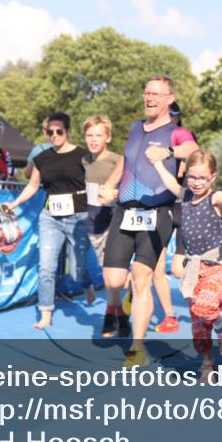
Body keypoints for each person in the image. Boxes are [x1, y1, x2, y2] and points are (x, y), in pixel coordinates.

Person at [99, 76, 198, 367]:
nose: (150, 98)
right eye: (146, 93)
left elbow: (192, 151)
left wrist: (168, 152)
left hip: (157, 212)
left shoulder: (177, 132)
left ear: (170, 98)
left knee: (143, 278)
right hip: (124, 212)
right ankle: (126, 303)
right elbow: (125, 161)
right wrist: (109, 185)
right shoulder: (134, 128)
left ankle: (137, 348)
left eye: (157, 93)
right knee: (113, 279)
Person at [151, 149, 222, 381]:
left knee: (206, 309)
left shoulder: (215, 197)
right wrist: (157, 164)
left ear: (212, 177)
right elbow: (170, 183)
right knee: (198, 321)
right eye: (192, 177)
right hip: (192, 268)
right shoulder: (184, 196)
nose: (197, 182)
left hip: (215, 264)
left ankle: (221, 325)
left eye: (203, 177)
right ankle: (207, 363)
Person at [3, 112, 91, 330]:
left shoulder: (83, 155)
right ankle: (45, 313)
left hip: (78, 216)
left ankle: (86, 283)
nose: (54, 135)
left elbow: (96, 182)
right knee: (46, 266)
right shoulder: (41, 158)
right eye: (50, 132)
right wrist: (14, 204)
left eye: (59, 131)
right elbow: (33, 186)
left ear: (68, 132)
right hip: (50, 217)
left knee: (76, 270)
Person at [82, 114, 123, 330]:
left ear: (108, 137)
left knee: (111, 273)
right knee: (107, 277)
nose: (94, 139)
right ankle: (119, 312)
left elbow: (128, 189)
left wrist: (113, 192)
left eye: (98, 135)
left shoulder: (117, 161)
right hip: (92, 223)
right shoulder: (83, 161)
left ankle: (111, 316)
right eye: (89, 135)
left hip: (115, 222)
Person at [151, 99, 185, 334]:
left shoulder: (184, 139)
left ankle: (208, 306)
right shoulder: (150, 141)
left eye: (172, 113)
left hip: (183, 208)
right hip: (160, 208)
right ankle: (170, 316)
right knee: (156, 267)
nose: (169, 117)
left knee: (178, 269)